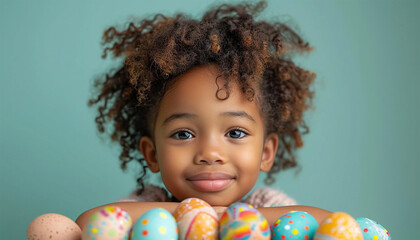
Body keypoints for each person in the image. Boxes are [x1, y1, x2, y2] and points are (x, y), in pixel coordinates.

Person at [76, 0, 331, 229]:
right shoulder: (151, 206)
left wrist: (230, 217)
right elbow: (88, 222)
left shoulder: (264, 204)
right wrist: (195, 214)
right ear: (152, 154)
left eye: (235, 132)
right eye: (184, 133)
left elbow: (327, 223)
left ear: (266, 152)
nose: (210, 154)